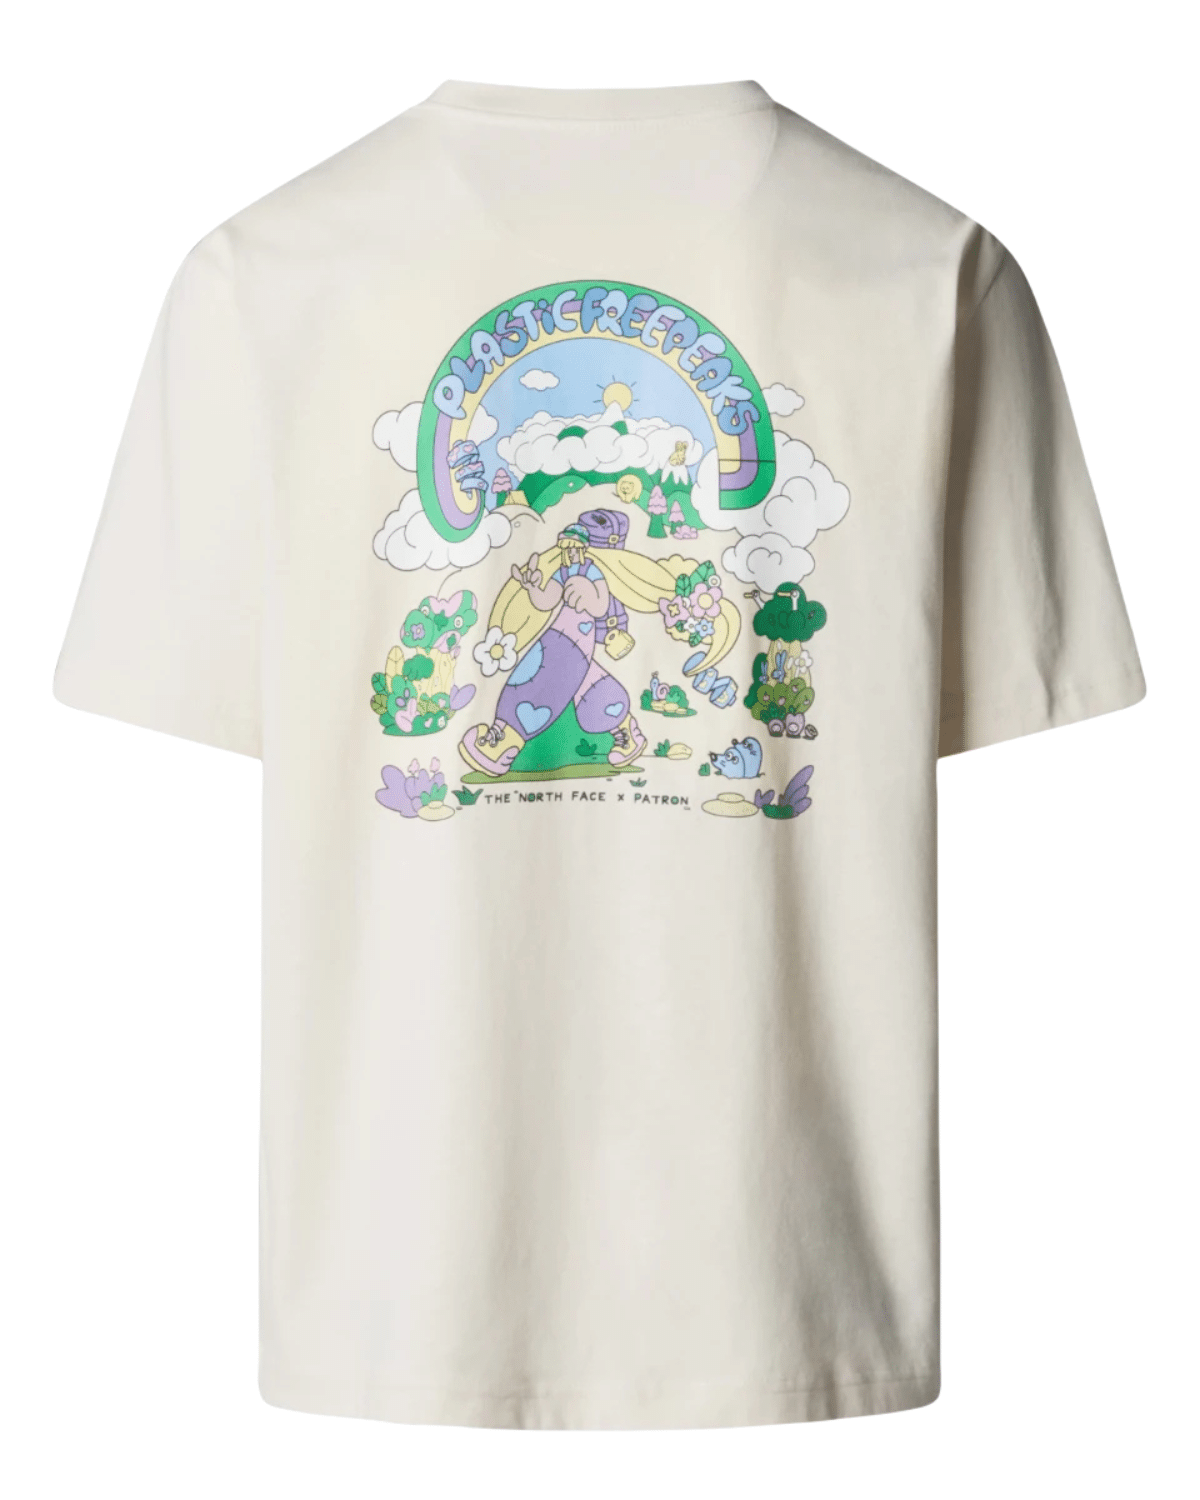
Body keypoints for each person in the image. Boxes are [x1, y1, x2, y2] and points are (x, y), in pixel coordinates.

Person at [459, 510, 647, 775]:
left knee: (550, 677)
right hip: (558, 634)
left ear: (582, 548)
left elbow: (600, 606)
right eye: (565, 548)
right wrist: (533, 587)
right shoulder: (563, 571)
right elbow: (547, 601)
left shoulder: (592, 572)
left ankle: (504, 743)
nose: (569, 553)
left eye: (573, 548)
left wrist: (587, 592)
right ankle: (503, 739)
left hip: (578, 638)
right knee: (535, 672)